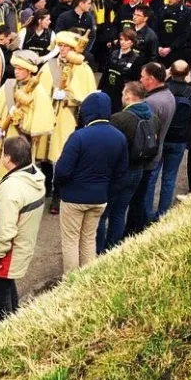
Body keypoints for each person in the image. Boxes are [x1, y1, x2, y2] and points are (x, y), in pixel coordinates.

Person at [56, 91, 128, 273]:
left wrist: (60, 187)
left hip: (74, 198)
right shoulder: (119, 137)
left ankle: (70, 282)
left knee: (71, 240)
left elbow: (62, 171)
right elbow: (121, 173)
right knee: (89, 239)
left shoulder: (79, 137)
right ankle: (87, 279)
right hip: (100, 198)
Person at [0, 136, 45, 320]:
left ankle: (4, 332)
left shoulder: (11, 189)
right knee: (7, 286)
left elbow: (4, 228)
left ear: (9, 159)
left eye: (4, 154)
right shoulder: (34, 175)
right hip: (22, 245)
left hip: (9, 252)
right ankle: (16, 318)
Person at [96, 81, 159, 253]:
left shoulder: (119, 119)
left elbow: (107, 146)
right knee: (119, 212)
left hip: (118, 173)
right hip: (138, 171)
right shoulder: (152, 117)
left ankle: (98, 251)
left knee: (102, 215)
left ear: (129, 96)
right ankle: (113, 249)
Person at [36, 32, 97, 200]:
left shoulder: (83, 69)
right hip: (48, 114)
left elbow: (88, 97)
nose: (62, 49)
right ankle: (47, 185)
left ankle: (58, 193)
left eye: (65, 46)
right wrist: (49, 93)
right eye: (60, 46)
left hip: (68, 117)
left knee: (62, 155)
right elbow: (37, 88)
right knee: (44, 154)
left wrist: (69, 98)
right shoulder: (49, 66)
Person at [0, 50, 56, 186]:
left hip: (19, 144)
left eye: (20, 69)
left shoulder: (38, 92)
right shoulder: (8, 85)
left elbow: (40, 126)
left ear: (29, 70)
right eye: (15, 68)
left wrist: (20, 120)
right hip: (0, 140)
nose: (16, 71)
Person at [125, 62, 176, 236]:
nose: (140, 80)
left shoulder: (151, 102)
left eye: (142, 77)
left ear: (151, 80)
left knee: (139, 199)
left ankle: (135, 231)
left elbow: (144, 134)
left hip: (146, 158)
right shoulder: (168, 95)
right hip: (155, 153)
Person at [155, 60, 191, 219]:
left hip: (162, 136)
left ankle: (144, 213)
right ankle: (162, 214)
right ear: (187, 73)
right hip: (180, 139)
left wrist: (164, 77)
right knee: (169, 178)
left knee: (152, 176)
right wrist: (190, 82)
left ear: (170, 71)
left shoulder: (164, 87)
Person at [99, 29, 144, 113]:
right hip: (108, 90)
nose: (122, 42)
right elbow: (106, 72)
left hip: (121, 93)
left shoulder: (136, 58)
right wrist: (99, 88)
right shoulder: (113, 53)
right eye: (121, 39)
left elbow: (135, 80)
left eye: (126, 40)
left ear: (132, 42)